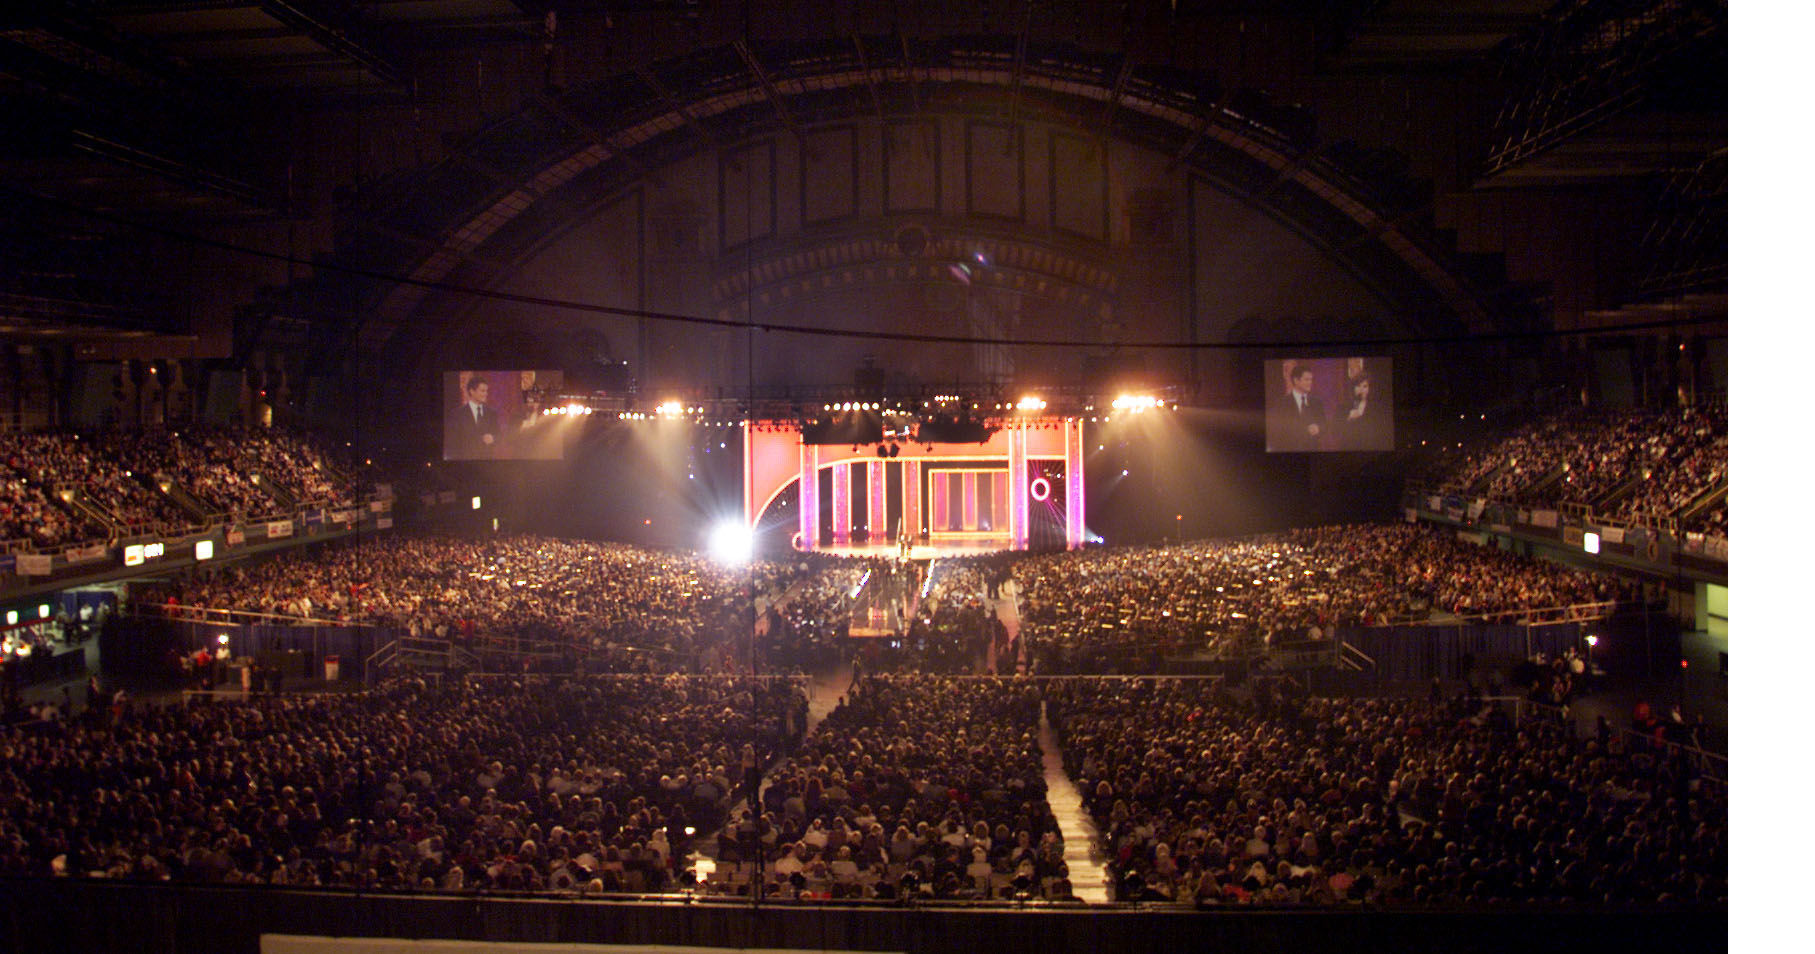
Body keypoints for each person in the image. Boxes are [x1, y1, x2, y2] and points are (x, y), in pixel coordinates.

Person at [446, 374, 504, 459]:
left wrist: (493, 438)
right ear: (472, 391)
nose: (486, 394)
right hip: (465, 462)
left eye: (486, 391)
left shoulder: (492, 413)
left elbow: (499, 435)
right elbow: (453, 443)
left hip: (487, 462)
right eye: (482, 391)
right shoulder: (458, 414)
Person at [1270, 364, 1325, 451]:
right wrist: (1304, 430)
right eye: (1307, 379)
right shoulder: (1282, 404)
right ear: (1296, 380)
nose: (1310, 382)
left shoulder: (1316, 402)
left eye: (1311, 379)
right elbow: (1277, 431)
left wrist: (1318, 428)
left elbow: (1324, 424)